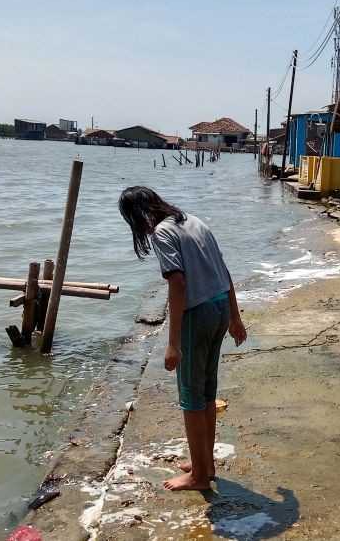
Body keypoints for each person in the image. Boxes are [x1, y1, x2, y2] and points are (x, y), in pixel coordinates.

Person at [118, 186, 247, 491]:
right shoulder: (193, 221)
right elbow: (224, 271)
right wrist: (235, 316)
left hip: (198, 316)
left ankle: (199, 477)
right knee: (206, 394)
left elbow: (177, 285)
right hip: (218, 309)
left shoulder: (162, 233)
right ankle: (206, 463)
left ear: (137, 216)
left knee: (191, 399)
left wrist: (173, 343)